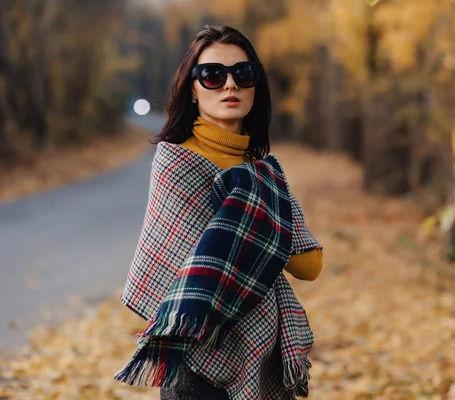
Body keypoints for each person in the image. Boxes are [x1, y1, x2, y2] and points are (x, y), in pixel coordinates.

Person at [114, 26, 323, 400]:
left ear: (256, 86)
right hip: (198, 368)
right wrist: (262, 224)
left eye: (243, 74)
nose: (230, 85)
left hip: (265, 363)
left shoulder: (262, 172)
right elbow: (188, 278)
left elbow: (311, 265)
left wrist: (256, 210)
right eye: (212, 75)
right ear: (192, 89)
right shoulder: (176, 163)